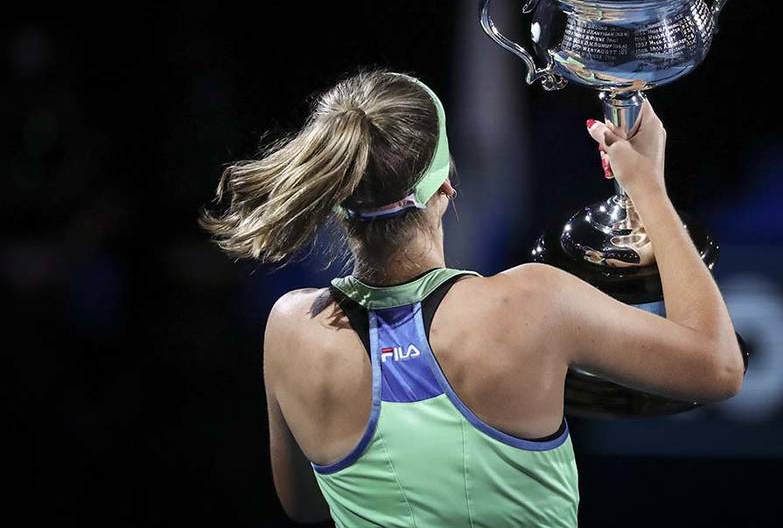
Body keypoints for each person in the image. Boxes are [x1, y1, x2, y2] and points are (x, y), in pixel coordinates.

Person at [198, 66, 746, 527]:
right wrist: (648, 184)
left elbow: (305, 505)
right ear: (445, 187)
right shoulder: (532, 302)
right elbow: (719, 367)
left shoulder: (291, 327)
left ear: (337, 197)